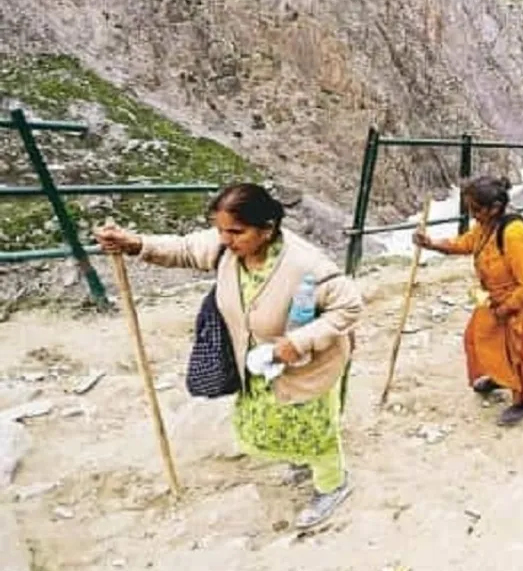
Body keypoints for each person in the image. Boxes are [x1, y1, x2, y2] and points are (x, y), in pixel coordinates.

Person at [94, 183, 363, 529]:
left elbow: (350, 306)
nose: (225, 239)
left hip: (305, 366)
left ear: (267, 229)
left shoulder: (306, 264)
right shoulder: (226, 249)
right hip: (257, 364)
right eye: (220, 230)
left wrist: (298, 342)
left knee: (314, 430)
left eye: (236, 231)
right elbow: (187, 249)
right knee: (278, 423)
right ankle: (302, 461)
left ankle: (333, 486)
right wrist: (137, 244)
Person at [414, 176, 523, 426]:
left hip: (521, 301)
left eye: (477, 210)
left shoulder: (514, 234)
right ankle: (499, 375)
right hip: (495, 297)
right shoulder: (487, 226)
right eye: (470, 209)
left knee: (522, 351)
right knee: (479, 336)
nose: (473, 215)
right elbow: (467, 242)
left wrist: (506, 309)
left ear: (495, 208)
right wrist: (433, 244)